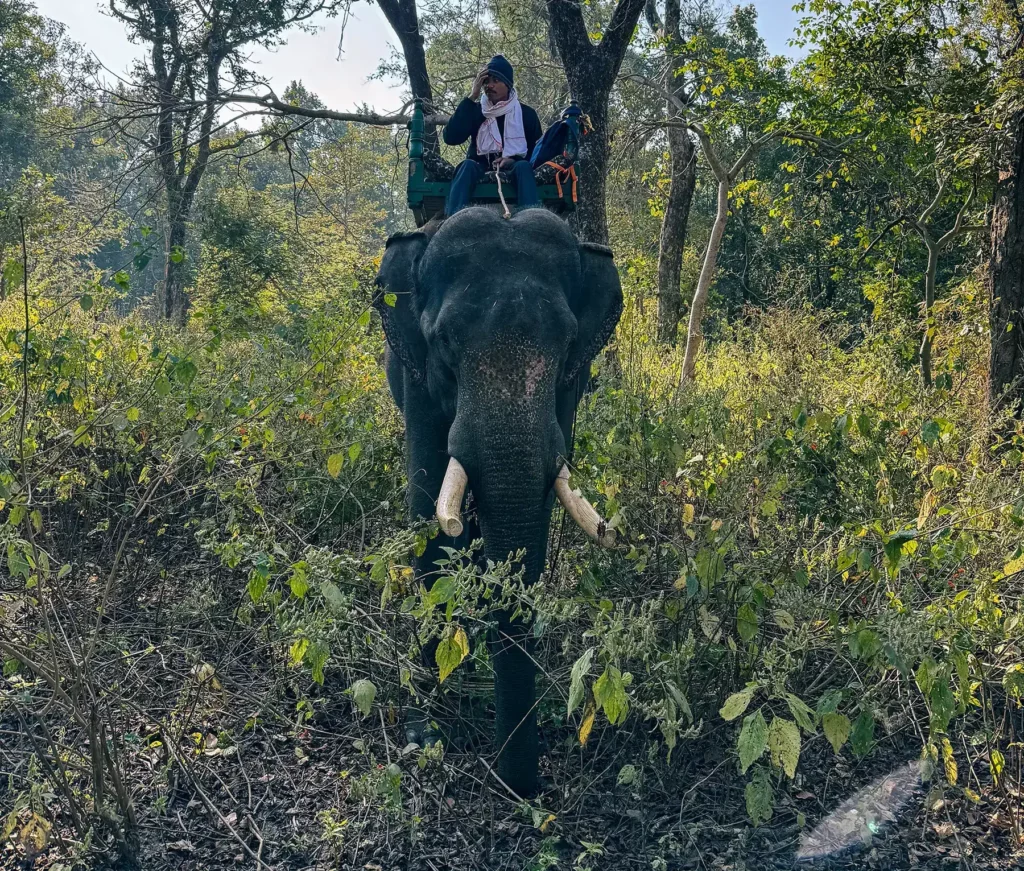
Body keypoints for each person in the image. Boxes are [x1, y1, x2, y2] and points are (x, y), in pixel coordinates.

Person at [442, 55, 543, 216]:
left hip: (514, 167)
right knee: (466, 166)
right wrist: (471, 97)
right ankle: (452, 220)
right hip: (480, 166)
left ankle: (532, 220)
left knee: (524, 167)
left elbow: (536, 152)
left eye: (495, 81)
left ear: (508, 84)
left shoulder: (526, 114)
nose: (489, 85)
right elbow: (451, 137)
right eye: (486, 82)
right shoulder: (476, 110)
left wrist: (513, 159)